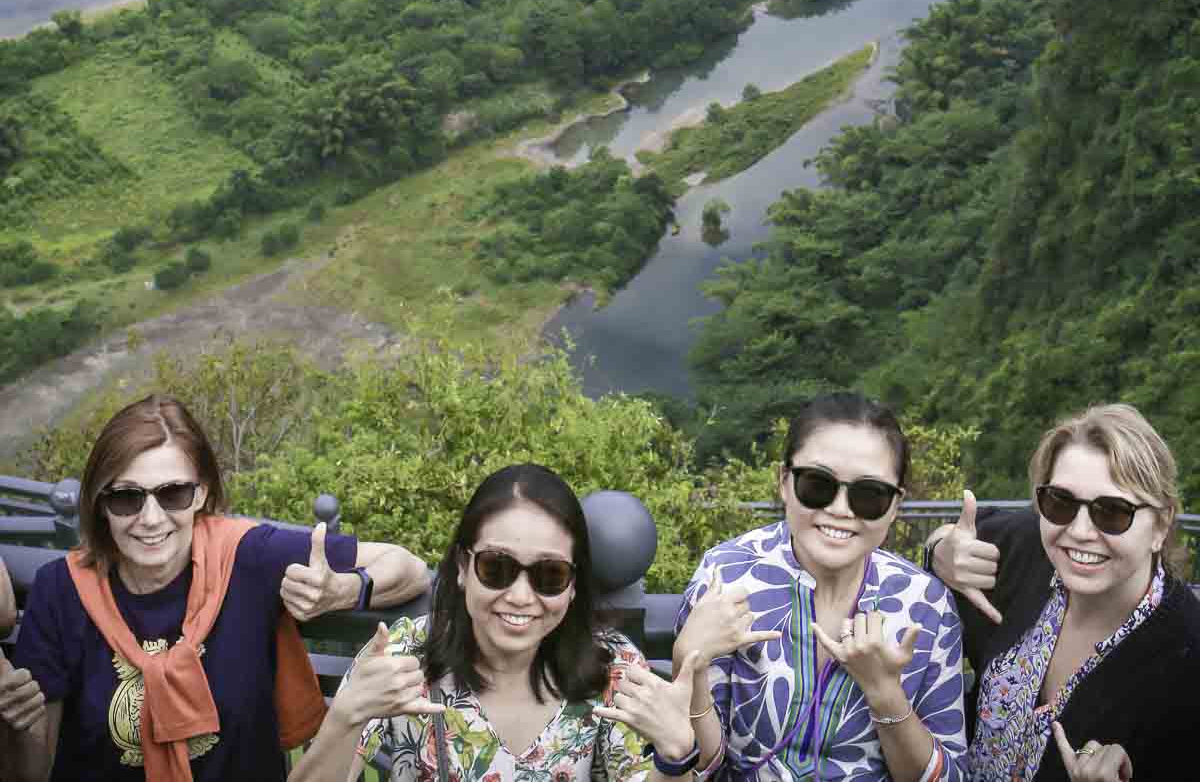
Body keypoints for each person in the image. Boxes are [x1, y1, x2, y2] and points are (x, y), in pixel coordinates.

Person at [0, 393, 428, 782]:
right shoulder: (61, 591)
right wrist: (19, 728)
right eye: (127, 497)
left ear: (201, 493)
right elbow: (31, 772)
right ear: (100, 502)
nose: (150, 518)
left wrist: (344, 590)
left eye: (172, 494)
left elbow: (406, 566)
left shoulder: (245, 557)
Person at [293, 462, 706, 782]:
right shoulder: (402, 656)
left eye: (550, 576)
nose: (521, 597)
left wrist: (675, 758)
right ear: (462, 567)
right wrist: (346, 717)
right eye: (497, 568)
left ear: (574, 585)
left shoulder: (612, 667)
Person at [674, 392, 967, 782]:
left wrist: (883, 692)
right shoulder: (727, 576)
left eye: (869, 495)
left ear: (895, 505)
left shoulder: (925, 606)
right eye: (817, 484)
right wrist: (687, 664)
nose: (841, 510)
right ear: (784, 482)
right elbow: (702, 767)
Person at [925, 402, 1200, 782]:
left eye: (1113, 511)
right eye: (1060, 501)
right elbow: (957, 538)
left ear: (1161, 524)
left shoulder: (1187, 656)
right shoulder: (1031, 548)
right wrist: (939, 552)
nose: (1080, 531)